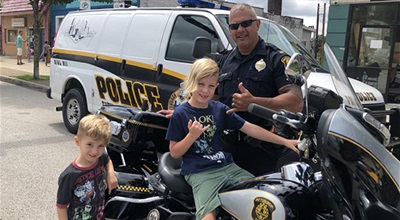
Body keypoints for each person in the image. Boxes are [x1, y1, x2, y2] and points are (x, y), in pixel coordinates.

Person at [159, 3, 303, 176]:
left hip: (261, 149)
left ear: (257, 24)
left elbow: (296, 102)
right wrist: (188, 111)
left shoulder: (275, 59)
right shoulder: (224, 61)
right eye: (234, 26)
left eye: (245, 24)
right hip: (223, 147)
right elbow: (211, 99)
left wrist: (254, 102)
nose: (240, 30)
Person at [166, 57, 299, 220]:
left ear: (217, 86)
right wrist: (191, 136)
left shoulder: (219, 109)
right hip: (200, 172)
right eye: (201, 84)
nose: (205, 91)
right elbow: (174, 152)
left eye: (210, 86)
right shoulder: (181, 113)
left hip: (227, 166)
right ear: (191, 82)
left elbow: (250, 128)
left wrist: (285, 141)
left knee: (262, 195)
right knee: (208, 217)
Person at [56, 114, 118, 220]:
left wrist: (111, 173)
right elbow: (61, 206)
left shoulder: (100, 157)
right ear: (77, 141)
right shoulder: (70, 175)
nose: (95, 151)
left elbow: (107, 159)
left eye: (101, 146)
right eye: (90, 144)